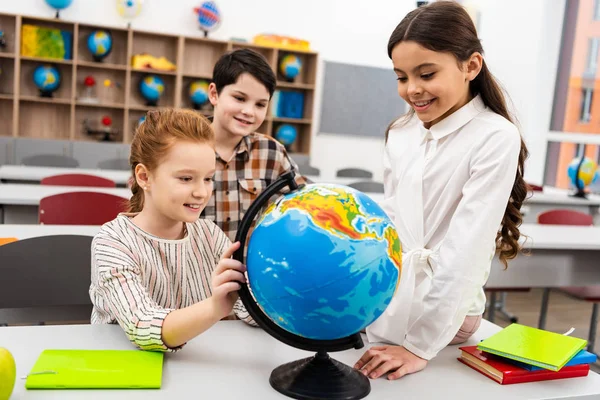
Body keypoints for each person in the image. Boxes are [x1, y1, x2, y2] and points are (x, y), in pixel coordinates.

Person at [356, 1, 529, 380]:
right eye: (401, 77)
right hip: (388, 303)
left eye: (426, 73)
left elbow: (466, 250)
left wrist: (418, 346)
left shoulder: (495, 136)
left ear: (471, 66)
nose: (412, 89)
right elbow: (390, 226)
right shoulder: (400, 133)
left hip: (445, 319)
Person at [90, 108, 253, 352]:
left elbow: (248, 309)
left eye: (208, 179)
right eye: (186, 179)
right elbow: (141, 326)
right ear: (144, 176)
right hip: (126, 375)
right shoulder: (113, 241)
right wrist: (217, 307)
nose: (201, 192)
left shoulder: (209, 235)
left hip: (193, 371)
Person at [201, 48, 306, 242]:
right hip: (194, 270)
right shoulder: (182, 148)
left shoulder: (272, 153)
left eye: (260, 104)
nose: (249, 111)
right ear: (214, 94)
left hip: (250, 271)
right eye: (239, 98)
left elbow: (305, 206)